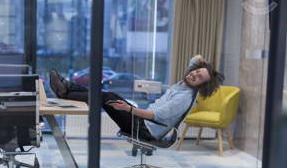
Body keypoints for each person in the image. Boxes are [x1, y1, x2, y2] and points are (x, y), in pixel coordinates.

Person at [50, 55, 224, 141]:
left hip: (147, 130)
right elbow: (195, 60)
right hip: (143, 121)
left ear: (202, 86)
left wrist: (129, 109)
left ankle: (66, 90)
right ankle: (68, 88)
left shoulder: (185, 98)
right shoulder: (183, 84)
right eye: (196, 71)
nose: (194, 74)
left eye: (199, 77)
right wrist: (202, 63)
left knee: (108, 97)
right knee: (109, 96)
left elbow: (157, 116)